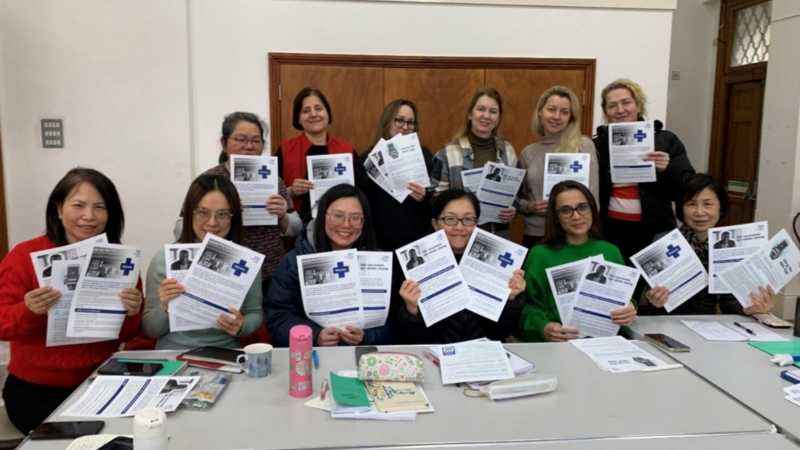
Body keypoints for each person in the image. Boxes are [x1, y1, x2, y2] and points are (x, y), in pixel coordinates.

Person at [0, 168, 143, 434]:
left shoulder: (120, 259)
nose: (89, 216)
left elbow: (129, 333)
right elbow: (2, 326)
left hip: (99, 380)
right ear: (58, 209)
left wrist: (132, 313)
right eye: (78, 205)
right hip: (34, 389)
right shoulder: (23, 256)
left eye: (99, 207)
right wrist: (28, 310)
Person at [175, 112, 301, 299]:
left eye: (256, 141)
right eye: (240, 139)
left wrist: (283, 216)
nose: (249, 146)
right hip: (223, 275)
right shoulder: (209, 180)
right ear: (224, 144)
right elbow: (179, 229)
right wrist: (222, 215)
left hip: (271, 275)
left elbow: (297, 227)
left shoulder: (273, 179)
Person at [145, 175, 263, 349]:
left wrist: (242, 326)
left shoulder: (246, 262)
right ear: (189, 213)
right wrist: (164, 307)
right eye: (203, 212)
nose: (212, 222)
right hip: (173, 353)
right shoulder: (163, 260)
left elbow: (255, 312)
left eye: (222, 214)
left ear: (233, 216)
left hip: (227, 352)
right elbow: (150, 330)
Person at [395, 189, 526, 344]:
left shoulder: (498, 265)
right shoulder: (414, 269)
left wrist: (511, 301)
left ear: (476, 223)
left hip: (484, 355)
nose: (459, 227)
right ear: (435, 224)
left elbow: (501, 332)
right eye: (450, 219)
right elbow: (415, 339)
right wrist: (411, 311)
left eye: (468, 219)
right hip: (435, 356)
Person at [265, 184, 389, 347]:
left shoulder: (378, 264)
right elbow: (278, 318)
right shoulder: (294, 261)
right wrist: (314, 335)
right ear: (322, 216)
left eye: (355, 218)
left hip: (363, 357)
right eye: (337, 216)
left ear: (364, 222)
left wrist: (366, 337)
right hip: (310, 357)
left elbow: (393, 322)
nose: (346, 225)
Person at [639, 174, 776, 315]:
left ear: (720, 208)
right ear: (681, 209)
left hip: (707, 321)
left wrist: (750, 308)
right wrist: (654, 299)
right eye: (691, 204)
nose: (699, 212)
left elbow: (728, 304)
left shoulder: (732, 247)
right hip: (663, 320)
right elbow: (648, 299)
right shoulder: (664, 241)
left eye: (708, 204)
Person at [518, 180, 637, 342]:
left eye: (582, 207)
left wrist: (630, 308)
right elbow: (523, 306)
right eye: (566, 210)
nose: (576, 216)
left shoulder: (610, 251)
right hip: (556, 346)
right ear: (556, 216)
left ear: (592, 209)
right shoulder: (540, 254)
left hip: (604, 343)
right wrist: (542, 327)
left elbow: (626, 300)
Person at [593, 79, 695, 262]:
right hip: (610, 231)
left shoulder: (666, 140)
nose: (620, 110)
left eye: (626, 102)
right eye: (612, 105)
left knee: (655, 288)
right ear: (606, 112)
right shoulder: (597, 145)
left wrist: (666, 170)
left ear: (638, 105)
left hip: (654, 231)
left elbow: (687, 189)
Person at [430, 87, 517, 238]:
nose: (486, 116)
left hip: (497, 236)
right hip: (458, 236)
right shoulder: (448, 153)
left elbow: (517, 194)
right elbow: (434, 198)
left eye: (493, 111)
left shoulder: (508, 151)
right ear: (470, 113)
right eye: (481, 109)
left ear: (498, 118)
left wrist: (513, 209)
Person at [518, 86, 599, 248]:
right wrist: (529, 207)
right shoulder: (528, 152)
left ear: (571, 117)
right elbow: (517, 199)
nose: (556, 116)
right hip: (536, 234)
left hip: (574, 235)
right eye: (551, 109)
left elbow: (593, 197)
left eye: (564, 112)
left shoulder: (583, 146)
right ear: (540, 111)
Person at [276, 87, 369, 221]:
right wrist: (290, 191)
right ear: (298, 119)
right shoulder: (285, 149)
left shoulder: (346, 149)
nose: (314, 114)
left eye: (319, 108)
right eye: (306, 110)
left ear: (328, 113)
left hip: (342, 228)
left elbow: (364, 193)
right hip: (298, 231)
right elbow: (270, 194)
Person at [361, 99, 433, 253]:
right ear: (387, 122)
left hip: (417, 243)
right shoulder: (368, 158)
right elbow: (362, 202)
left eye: (411, 123)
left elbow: (435, 201)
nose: (405, 127)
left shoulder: (424, 154)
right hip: (380, 244)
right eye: (399, 121)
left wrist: (424, 198)